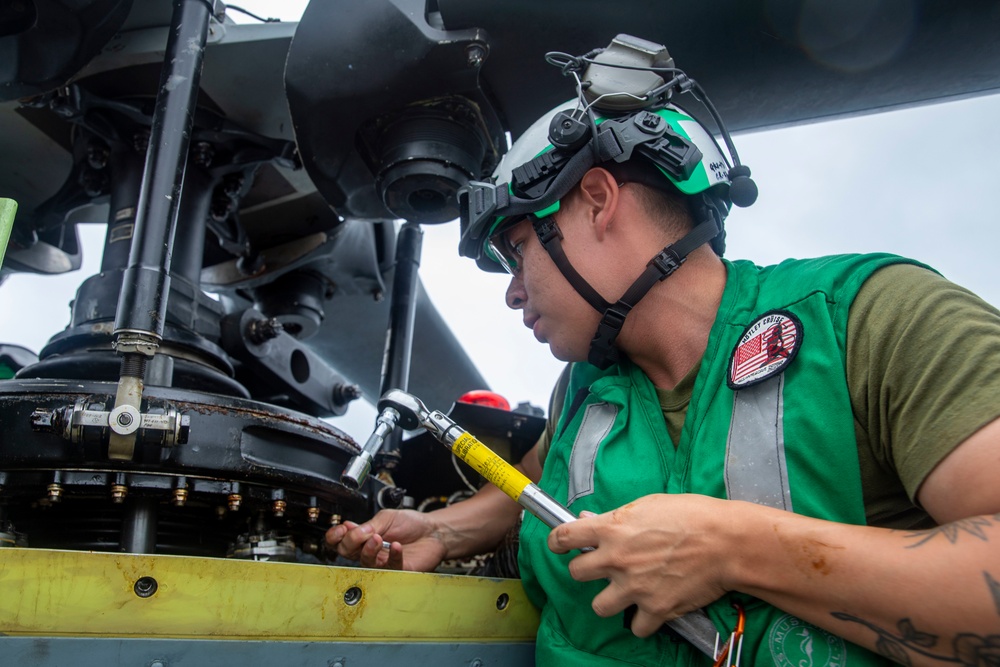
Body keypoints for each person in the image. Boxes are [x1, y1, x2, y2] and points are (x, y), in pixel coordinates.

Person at [326, 34, 1000, 666]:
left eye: (516, 250)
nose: (512, 293)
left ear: (596, 200)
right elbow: (538, 480)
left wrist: (732, 548)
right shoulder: (582, 391)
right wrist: (448, 531)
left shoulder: (872, 318)